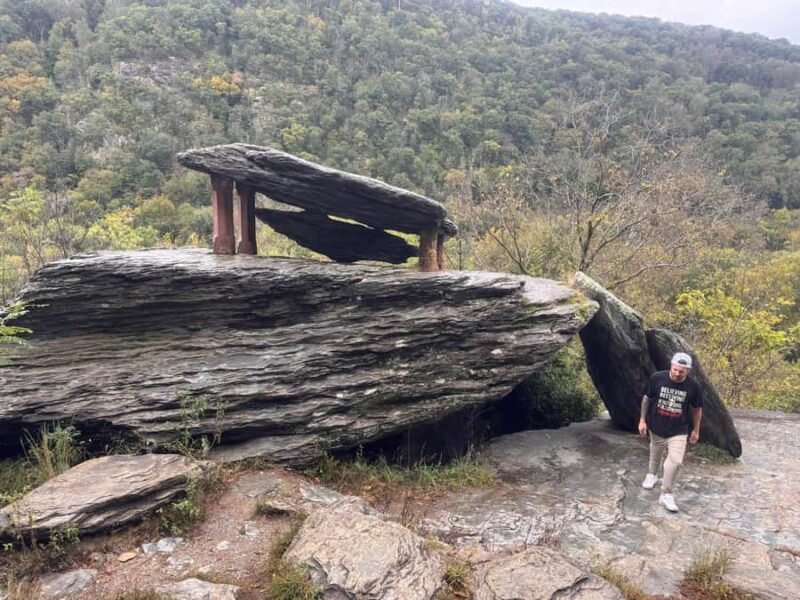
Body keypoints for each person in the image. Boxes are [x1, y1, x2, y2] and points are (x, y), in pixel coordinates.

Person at [638, 352, 703, 512]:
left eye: (681, 371)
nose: (677, 373)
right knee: (656, 451)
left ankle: (666, 494)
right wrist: (642, 420)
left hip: (679, 429)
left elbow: (697, 409)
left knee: (675, 461)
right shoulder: (657, 378)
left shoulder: (693, 386)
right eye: (675, 369)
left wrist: (696, 429)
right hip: (657, 424)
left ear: (688, 370)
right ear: (671, 366)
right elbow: (646, 399)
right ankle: (652, 474)